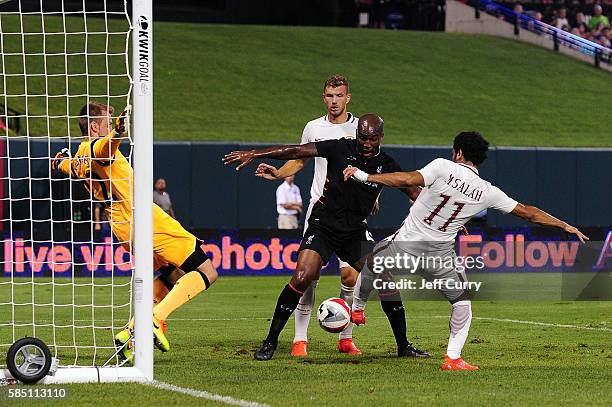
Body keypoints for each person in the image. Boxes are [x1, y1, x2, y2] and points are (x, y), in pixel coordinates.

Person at [343, 131, 588, 371]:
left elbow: (407, 180)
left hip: (406, 246)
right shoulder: (487, 191)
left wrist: (365, 176)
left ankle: (358, 308)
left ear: (458, 152)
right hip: (439, 256)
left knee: (373, 262)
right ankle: (452, 358)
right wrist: (563, 224)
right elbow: (527, 212)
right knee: (462, 303)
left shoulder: (441, 166)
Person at [224, 114, 427, 361]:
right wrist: (255, 153)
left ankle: (403, 346)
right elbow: (296, 151)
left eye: (372, 139)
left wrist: (444, 218)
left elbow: (415, 192)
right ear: (356, 135)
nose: (366, 143)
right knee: (302, 277)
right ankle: (270, 342)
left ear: (381, 137)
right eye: (362, 137)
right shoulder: (338, 146)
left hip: (354, 232)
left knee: (385, 280)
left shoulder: (387, 164)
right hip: (324, 225)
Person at [51, 102, 218, 362]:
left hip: (122, 227)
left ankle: (128, 333)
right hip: (143, 218)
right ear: (95, 126)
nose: (111, 126)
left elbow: (67, 166)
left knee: (174, 274)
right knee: (208, 271)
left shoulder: (78, 157)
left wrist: (60, 161)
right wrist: (117, 134)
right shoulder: (96, 147)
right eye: (107, 122)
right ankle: (153, 320)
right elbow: (104, 149)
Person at [254, 74, 366, 357]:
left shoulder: (359, 128)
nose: (334, 101)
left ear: (348, 97)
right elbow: (300, 158)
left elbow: (372, 164)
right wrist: (279, 173)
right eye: (329, 96)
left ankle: (346, 337)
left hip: (353, 213)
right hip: (321, 210)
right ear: (324, 97)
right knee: (308, 275)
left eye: (339, 95)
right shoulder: (313, 128)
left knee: (351, 275)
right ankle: (299, 339)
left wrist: (370, 196)